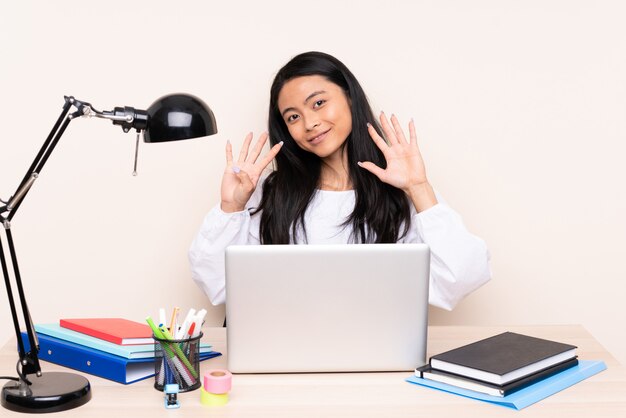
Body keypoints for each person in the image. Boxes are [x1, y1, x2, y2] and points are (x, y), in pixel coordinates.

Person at [189, 51, 490, 310]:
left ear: (349, 96)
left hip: (375, 351)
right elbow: (217, 285)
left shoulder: (401, 192)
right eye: (293, 117)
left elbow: (462, 277)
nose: (310, 123)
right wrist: (231, 207)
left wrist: (419, 189)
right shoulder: (269, 194)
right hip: (288, 351)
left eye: (318, 103)